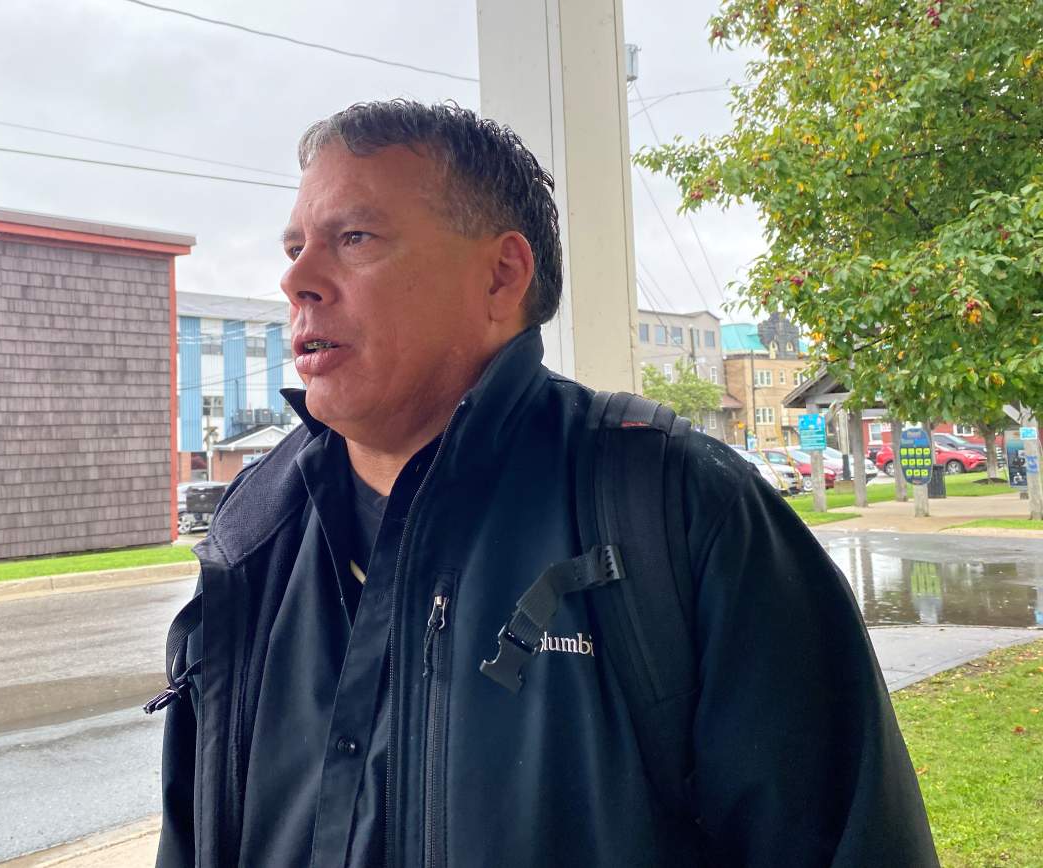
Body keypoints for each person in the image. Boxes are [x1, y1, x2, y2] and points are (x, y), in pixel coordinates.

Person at [154, 100, 937, 867]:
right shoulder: (252, 531)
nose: (297, 279)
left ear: (502, 277)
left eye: (353, 238)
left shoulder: (681, 513)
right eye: (295, 247)